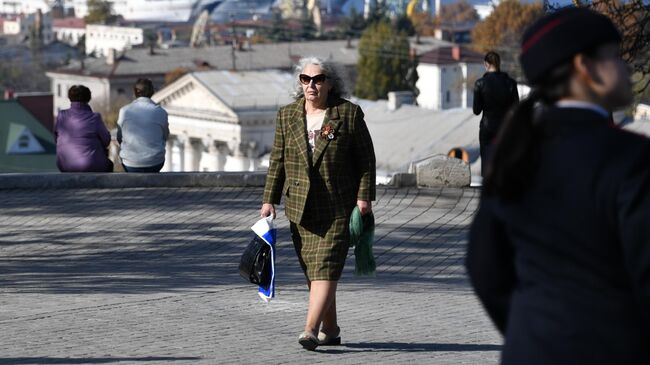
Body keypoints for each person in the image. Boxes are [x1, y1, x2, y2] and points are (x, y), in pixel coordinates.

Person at [466, 7, 650, 364]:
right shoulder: (629, 158)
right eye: (614, 56)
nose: (626, 67)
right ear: (585, 67)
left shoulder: (514, 155)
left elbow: (484, 265)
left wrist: (532, 326)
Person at [260, 56, 376, 350]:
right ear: (300, 83)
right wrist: (269, 200)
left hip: (338, 206)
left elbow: (365, 160)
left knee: (326, 267)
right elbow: (278, 161)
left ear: (330, 83)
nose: (311, 85)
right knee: (315, 272)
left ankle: (310, 330)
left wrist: (364, 198)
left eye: (318, 79)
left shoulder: (346, 114)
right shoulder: (287, 116)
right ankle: (331, 329)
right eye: (305, 79)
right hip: (301, 208)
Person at [473, 51, 519, 176]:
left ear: (486, 64)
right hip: (505, 128)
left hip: (487, 127)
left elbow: (476, 111)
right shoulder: (511, 83)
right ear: (499, 64)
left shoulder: (480, 83)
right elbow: (516, 109)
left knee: (486, 161)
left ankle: (487, 189)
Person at [54, 85, 113, 172]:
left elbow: (56, 139)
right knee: (109, 165)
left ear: (70, 97)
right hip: (90, 165)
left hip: (65, 165)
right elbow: (106, 140)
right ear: (88, 98)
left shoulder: (61, 116)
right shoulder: (95, 118)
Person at [117, 78, 169, 172]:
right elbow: (165, 136)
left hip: (130, 164)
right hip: (155, 163)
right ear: (152, 92)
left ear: (135, 92)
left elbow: (119, 138)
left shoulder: (124, 111)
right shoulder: (161, 112)